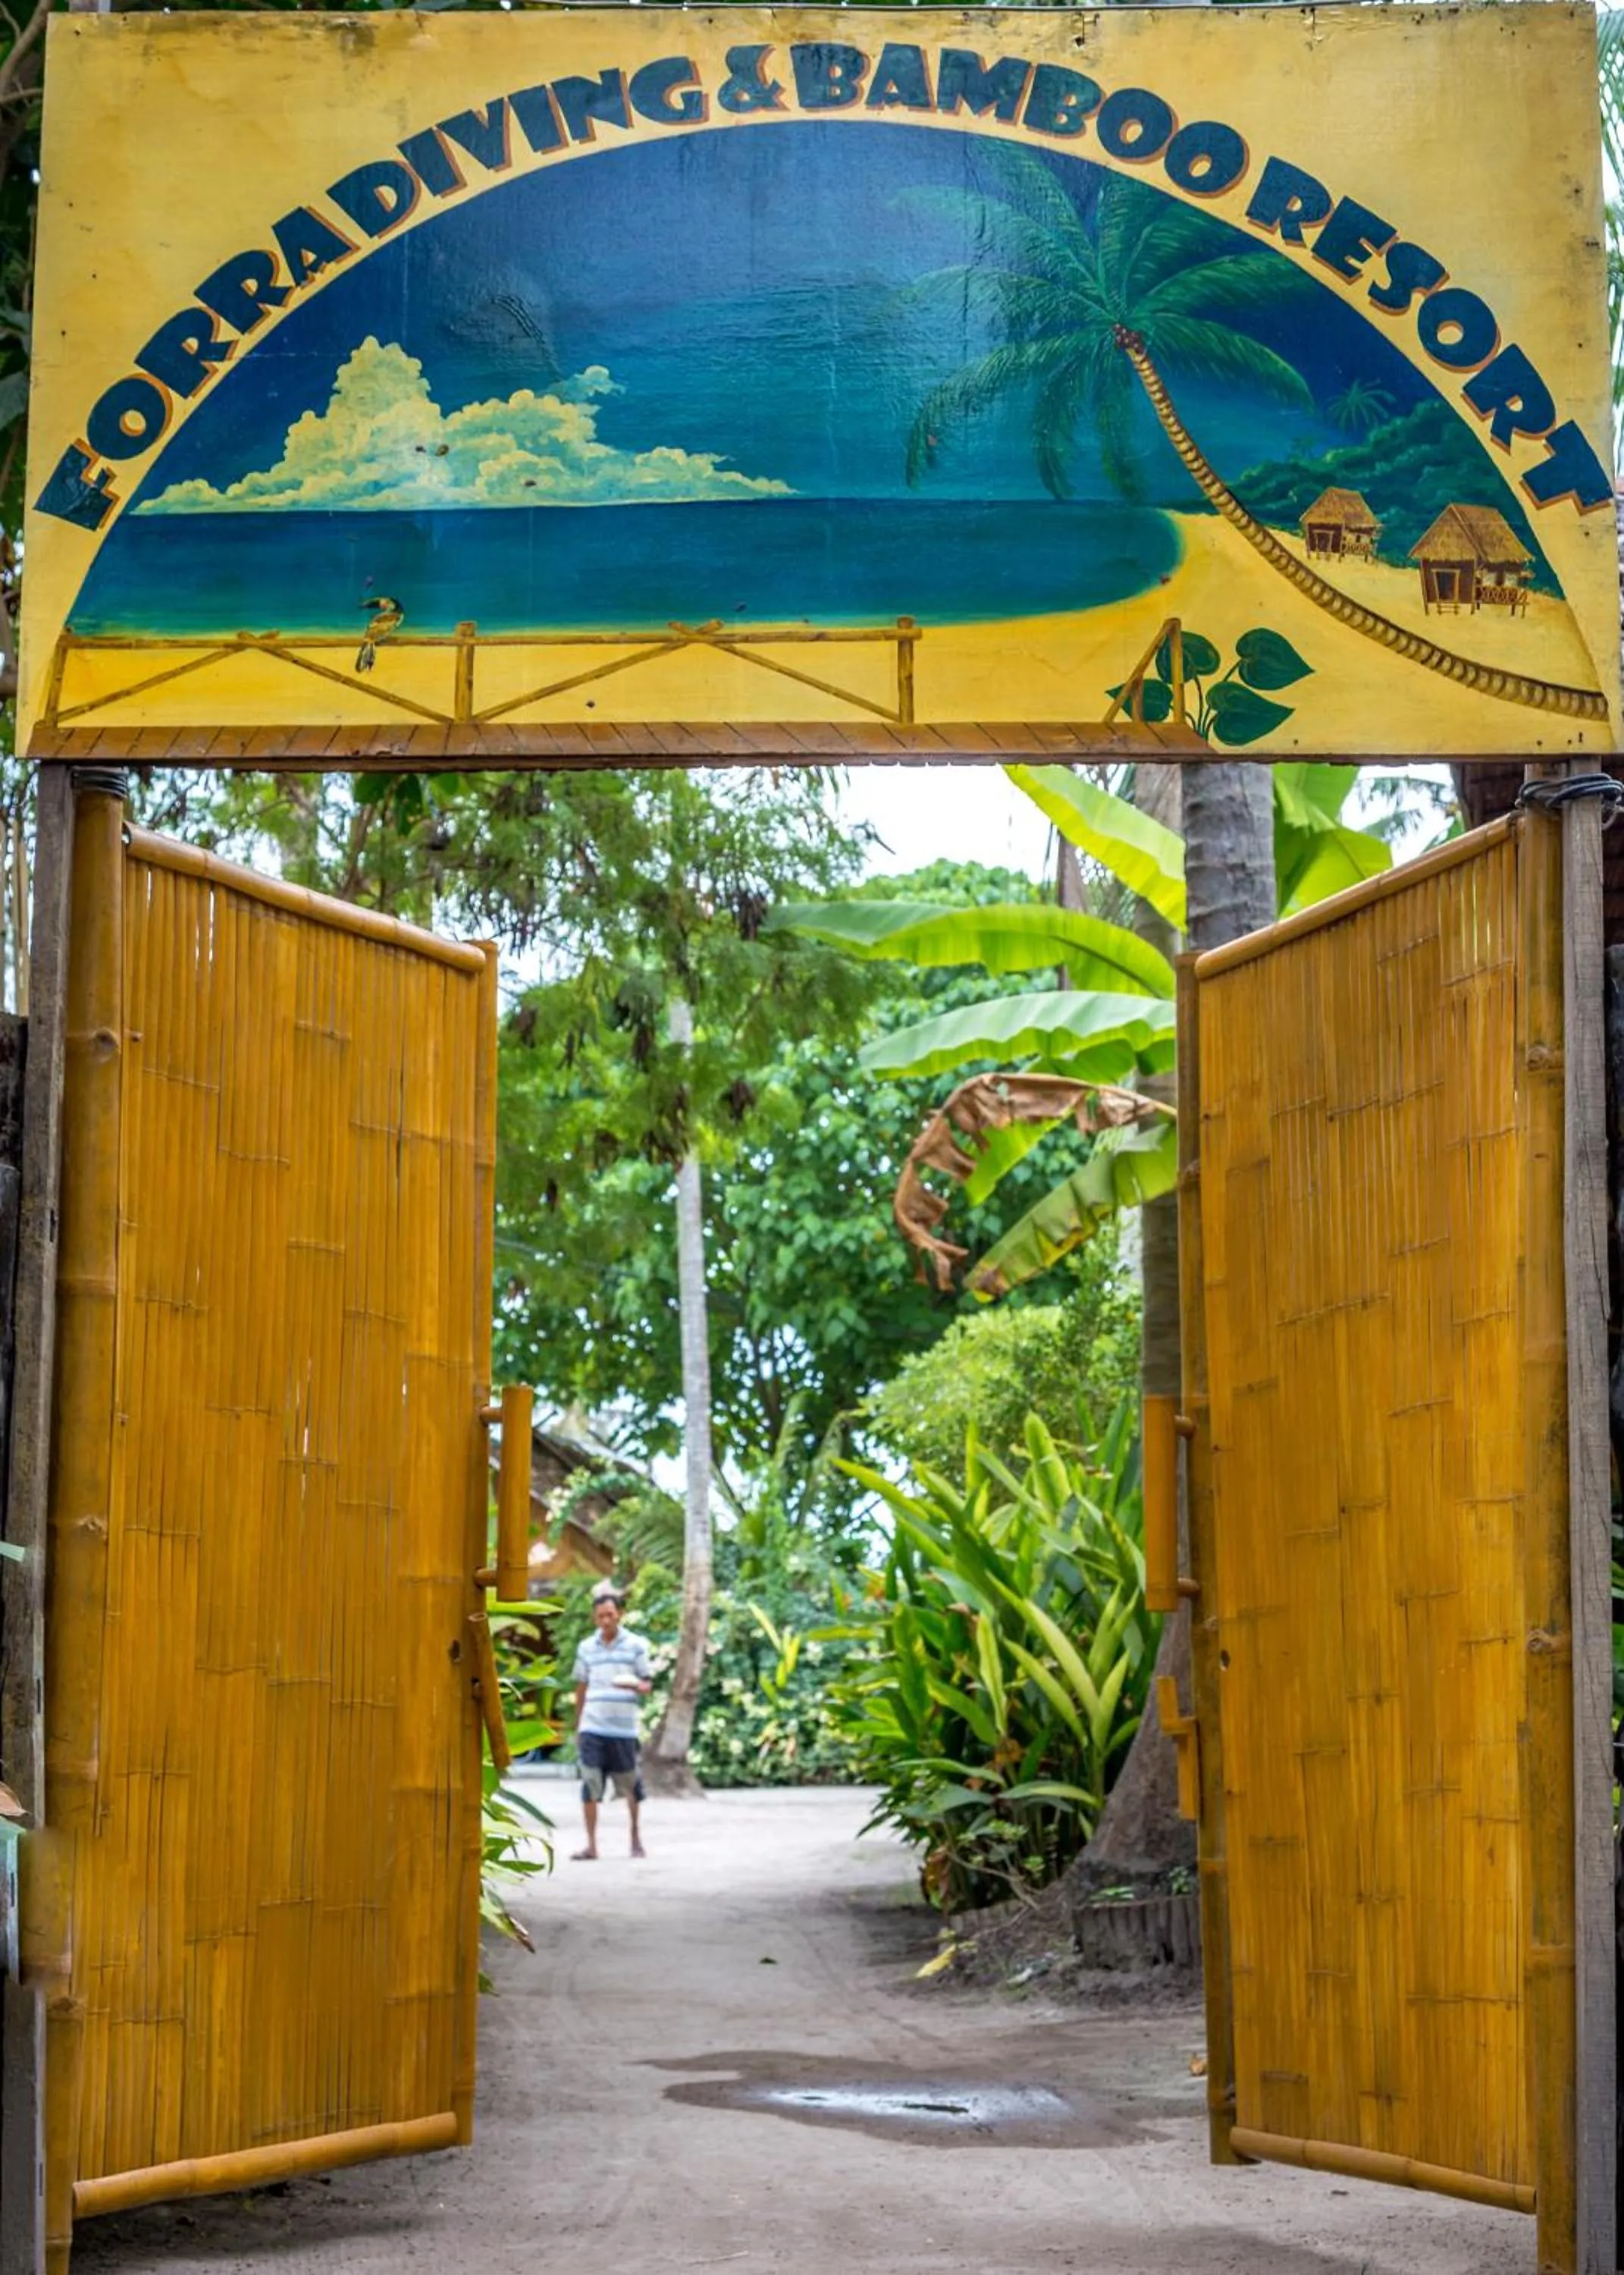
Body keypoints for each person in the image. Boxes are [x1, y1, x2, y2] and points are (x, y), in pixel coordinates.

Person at [570, 1582, 653, 1860]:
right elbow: (581, 1687)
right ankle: (592, 1845)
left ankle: (635, 1839)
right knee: (590, 1785)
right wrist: (578, 1726)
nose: (606, 1620)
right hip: (593, 1726)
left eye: (610, 1614)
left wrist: (635, 1686)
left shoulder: (636, 1646)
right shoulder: (586, 1648)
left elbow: (647, 1683)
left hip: (624, 1729)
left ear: (620, 1614)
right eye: (601, 1616)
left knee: (630, 1787)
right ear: (595, 1618)